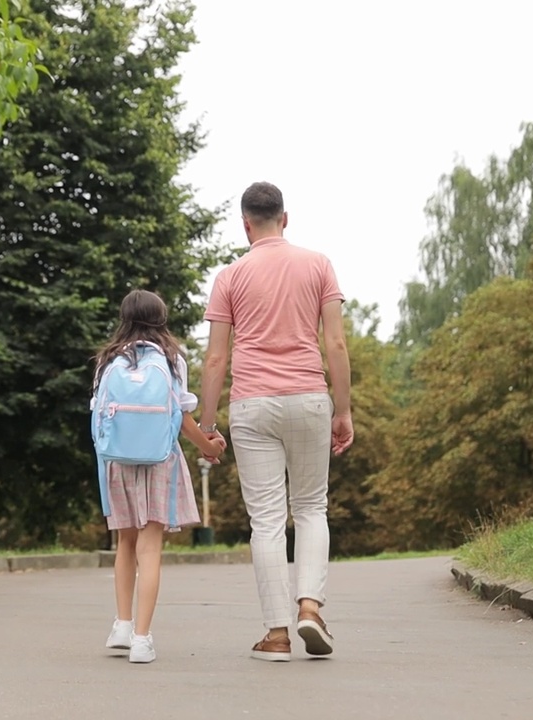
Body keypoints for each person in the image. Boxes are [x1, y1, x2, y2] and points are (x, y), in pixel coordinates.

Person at [196, 182, 354, 662]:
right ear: (285, 218)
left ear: (246, 225)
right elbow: (336, 345)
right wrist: (343, 409)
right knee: (311, 508)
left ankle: (278, 634)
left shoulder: (230, 276)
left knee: (265, 520)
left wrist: (206, 425)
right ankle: (310, 606)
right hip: (308, 397)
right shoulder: (318, 264)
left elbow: (216, 358)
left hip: (252, 405)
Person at [93, 289, 227, 664]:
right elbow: (182, 417)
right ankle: (141, 639)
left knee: (124, 543)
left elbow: (99, 415)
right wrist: (209, 447)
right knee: (150, 547)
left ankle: (121, 624)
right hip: (159, 459)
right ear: (161, 318)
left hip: (117, 461)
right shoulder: (172, 359)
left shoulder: (107, 360)